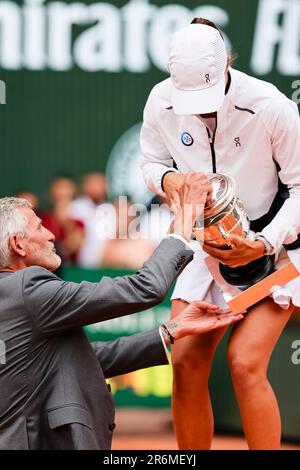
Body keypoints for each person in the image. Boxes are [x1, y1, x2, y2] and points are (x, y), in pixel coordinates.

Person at [140, 18, 300, 450]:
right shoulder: (160, 100)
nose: (202, 110)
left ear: (229, 63)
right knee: (187, 363)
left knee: (245, 364)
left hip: (278, 248)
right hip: (201, 245)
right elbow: (152, 163)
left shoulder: (272, 106)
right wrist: (168, 180)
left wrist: (264, 243)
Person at [0, 190, 242, 450]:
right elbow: (145, 287)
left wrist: (171, 330)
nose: (51, 235)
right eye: (41, 227)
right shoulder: (27, 288)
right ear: (18, 244)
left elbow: (81, 360)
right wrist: (182, 228)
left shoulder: (11, 296)